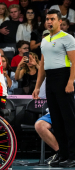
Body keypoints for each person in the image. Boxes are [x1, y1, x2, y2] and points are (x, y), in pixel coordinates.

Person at [33, 9, 75, 167]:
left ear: (59, 21)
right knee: (56, 119)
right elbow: (42, 65)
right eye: (47, 19)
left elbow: (74, 62)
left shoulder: (67, 38)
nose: (49, 22)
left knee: (68, 119)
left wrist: (71, 81)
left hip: (64, 78)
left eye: (52, 19)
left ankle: (73, 155)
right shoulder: (45, 40)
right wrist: (37, 87)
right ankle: (62, 154)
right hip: (50, 79)